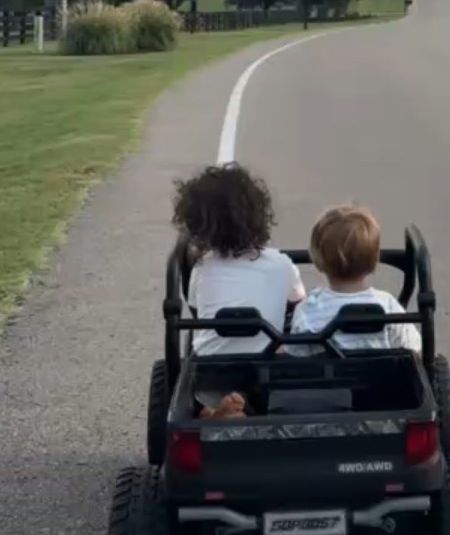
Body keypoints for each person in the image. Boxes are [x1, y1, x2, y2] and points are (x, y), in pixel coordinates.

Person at [173, 163, 305, 415]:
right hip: (266, 370)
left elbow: (196, 308)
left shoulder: (202, 269)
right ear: (258, 214)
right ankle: (246, 408)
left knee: (200, 380)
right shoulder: (282, 264)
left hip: (212, 372)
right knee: (285, 347)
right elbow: (299, 306)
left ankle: (209, 412)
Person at [291, 203, 422, 352]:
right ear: (374, 261)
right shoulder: (387, 306)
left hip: (324, 374)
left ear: (318, 261)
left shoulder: (308, 309)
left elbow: (296, 355)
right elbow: (413, 349)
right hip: (382, 374)